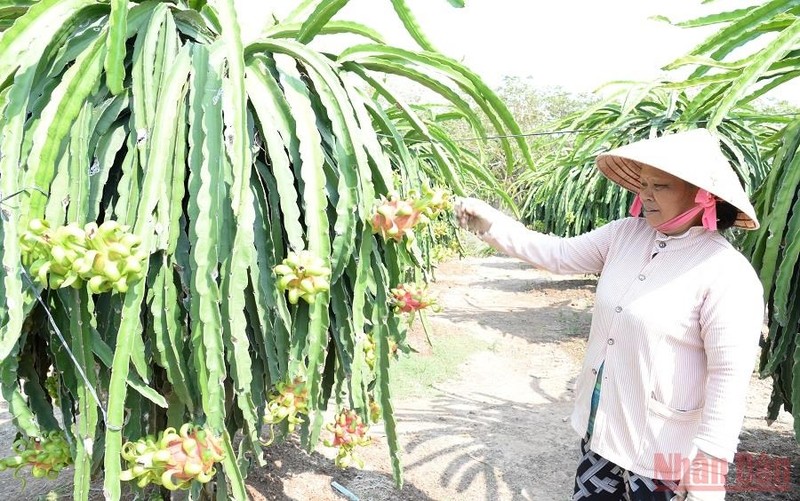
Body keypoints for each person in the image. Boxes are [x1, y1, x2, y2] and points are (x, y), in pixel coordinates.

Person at [454, 129, 764, 501]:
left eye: (661, 187)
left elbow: (728, 377)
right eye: (643, 184)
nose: (645, 194)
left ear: (703, 195)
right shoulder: (624, 235)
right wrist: (492, 224)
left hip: (665, 457)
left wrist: (710, 465)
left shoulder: (726, 273)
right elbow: (557, 254)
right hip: (602, 434)